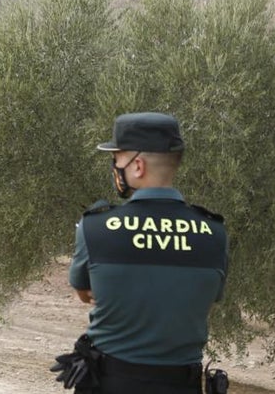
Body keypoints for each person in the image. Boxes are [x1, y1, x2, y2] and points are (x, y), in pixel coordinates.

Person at [62, 113, 228, 394]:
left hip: (110, 383)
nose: (115, 166)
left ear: (137, 166)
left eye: (117, 159)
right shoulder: (215, 233)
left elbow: (85, 293)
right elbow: (204, 302)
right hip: (181, 385)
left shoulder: (95, 227)